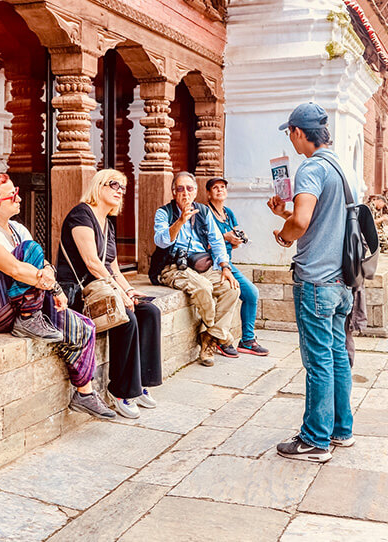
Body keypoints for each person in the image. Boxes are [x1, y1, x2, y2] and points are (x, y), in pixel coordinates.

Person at [0, 173, 114, 419]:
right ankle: (29, 318)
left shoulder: (18, 229)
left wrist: (55, 288)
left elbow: (43, 265)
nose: (19, 198)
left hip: (16, 305)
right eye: (12, 195)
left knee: (84, 326)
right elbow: (15, 268)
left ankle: (84, 394)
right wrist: (49, 286)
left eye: (16, 191)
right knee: (28, 251)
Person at [267, 103, 353, 463]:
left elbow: (302, 223)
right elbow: (319, 217)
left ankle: (314, 440)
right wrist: (285, 213)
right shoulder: (338, 166)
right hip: (341, 280)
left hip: (316, 280)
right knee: (336, 356)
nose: (291, 138)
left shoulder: (310, 168)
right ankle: (339, 429)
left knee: (318, 361)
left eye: (291, 132)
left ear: (299, 133)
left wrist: (285, 235)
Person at [57, 169, 162, 419]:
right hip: (80, 294)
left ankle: (139, 385)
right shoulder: (81, 215)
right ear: (99, 185)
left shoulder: (107, 222)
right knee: (127, 318)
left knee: (149, 311)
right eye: (114, 184)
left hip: (103, 290)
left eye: (123, 188)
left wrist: (128, 289)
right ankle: (120, 391)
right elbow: (93, 263)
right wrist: (119, 294)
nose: (119, 191)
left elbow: (112, 266)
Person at [153, 171, 240, 367]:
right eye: (180, 189)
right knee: (203, 288)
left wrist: (225, 267)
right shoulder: (164, 213)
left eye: (189, 188)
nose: (185, 193)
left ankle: (210, 337)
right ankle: (220, 335)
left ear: (195, 191)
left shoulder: (204, 211)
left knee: (231, 288)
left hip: (202, 264)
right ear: (173, 192)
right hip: (173, 266)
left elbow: (217, 242)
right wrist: (180, 221)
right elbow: (160, 241)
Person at [205, 177, 269, 356]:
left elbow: (234, 240)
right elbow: (203, 241)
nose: (220, 190)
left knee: (250, 294)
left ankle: (247, 339)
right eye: (215, 188)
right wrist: (225, 237)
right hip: (212, 262)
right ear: (208, 193)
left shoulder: (228, 213)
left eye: (223, 187)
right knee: (245, 292)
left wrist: (237, 239)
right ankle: (232, 339)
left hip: (228, 262)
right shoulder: (205, 213)